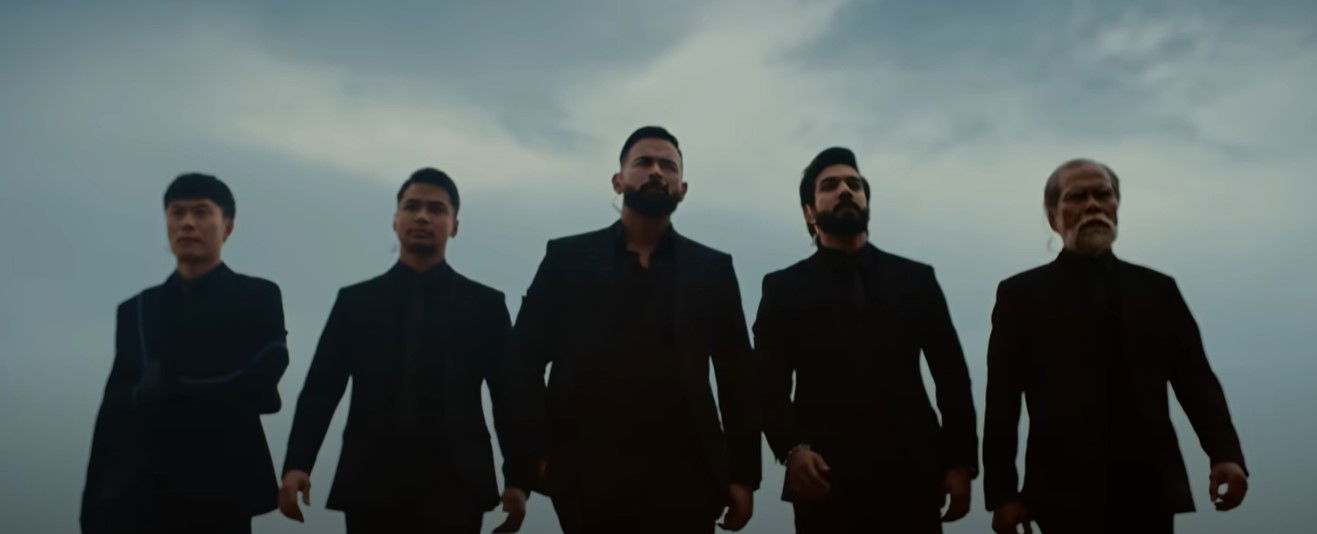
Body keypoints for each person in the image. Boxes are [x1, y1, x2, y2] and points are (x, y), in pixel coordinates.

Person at [503, 126, 760, 533]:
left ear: (682, 189)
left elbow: (737, 377)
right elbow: (523, 361)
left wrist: (743, 476)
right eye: (643, 162)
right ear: (618, 180)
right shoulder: (568, 259)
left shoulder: (712, 269)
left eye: (668, 166)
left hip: (687, 477)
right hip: (586, 473)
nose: (656, 171)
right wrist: (533, 452)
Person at [983, 159, 1249, 533]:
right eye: (1077, 197)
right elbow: (1002, 401)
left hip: (1149, 489)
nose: (1093, 205)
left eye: (1103, 194)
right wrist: (1003, 494)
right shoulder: (1021, 296)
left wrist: (1226, 455)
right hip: (1062, 494)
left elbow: (1197, 382)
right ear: (1052, 217)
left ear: (1116, 205)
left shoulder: (1157, 290)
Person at [279, 168, 525, 533]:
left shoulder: (484, 305)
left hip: (456, 485)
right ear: (396, 221)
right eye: (412, 207)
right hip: (371, 483)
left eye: (436, 209)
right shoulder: (356, 303)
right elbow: (321, 389)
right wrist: (297, 465)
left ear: (454, 226)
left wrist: (518, 479)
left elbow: (508, 396)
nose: (422, 217)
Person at [756, 147, 978, 533]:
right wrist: (792, 449)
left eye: (854, 185)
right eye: (830, 185)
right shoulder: (782, 288)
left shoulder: (916, 280)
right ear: (809, 212)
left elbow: (952, 377)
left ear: (866, 201)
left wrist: (960, 463)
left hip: (913, 477)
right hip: (824, 479)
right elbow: (767, 383)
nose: (846, 190)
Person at [81, 173, 289, 534]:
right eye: (176, 213)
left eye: (201, 212)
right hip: (142, 489)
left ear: (227, 226)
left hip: (221, 485)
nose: (187, 223)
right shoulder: (137, 310)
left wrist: (169, 390)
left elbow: (264, 373)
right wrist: (92, 508)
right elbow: (114, 412)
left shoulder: (257, 296)